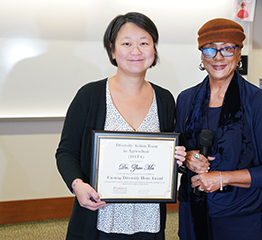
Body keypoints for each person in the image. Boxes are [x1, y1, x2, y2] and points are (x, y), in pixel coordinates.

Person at [56, 12, 186, 240]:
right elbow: (66, 152)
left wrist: (178, 157)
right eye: (127, 43)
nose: (136, 51)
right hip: (100, 216)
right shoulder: (90, 96)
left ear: (153, 49)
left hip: (149, 219)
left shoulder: (164, 99)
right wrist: (77, 185)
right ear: (113, 50)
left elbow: (169, 153)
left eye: (144, 43)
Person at [175, 18, 262, 240]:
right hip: (192, 209)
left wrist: (221, 178)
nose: (218, 57)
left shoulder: (256, 100)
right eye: (210, 49)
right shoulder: (186, 99)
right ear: (201, 54)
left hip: (238, 214)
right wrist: (187, 158)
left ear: (238, 53)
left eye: (227, 49)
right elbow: (175, 152)